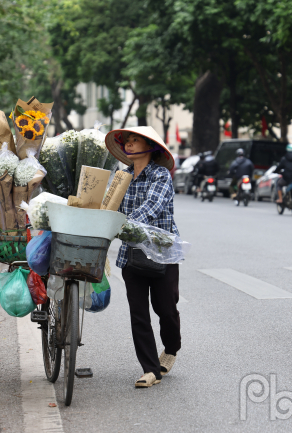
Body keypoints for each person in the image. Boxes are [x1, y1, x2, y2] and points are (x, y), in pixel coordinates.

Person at [105, 126, 181, 388]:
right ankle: (150, 369)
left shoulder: (161, 175)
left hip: (162, 251)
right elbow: (108, 205)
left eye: (135, 140)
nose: (130, 144)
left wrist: (123, 225)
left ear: (150, 147)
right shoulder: (120, 176)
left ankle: (171, 348)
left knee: (166, 309)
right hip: (131, 254)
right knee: (138, 313)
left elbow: (152, 206)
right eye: (128, 140)